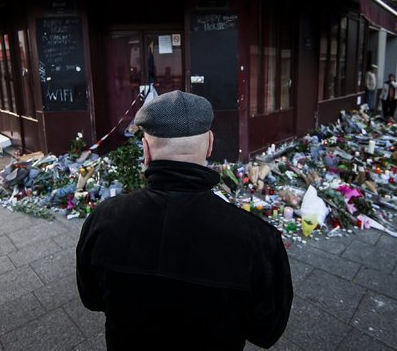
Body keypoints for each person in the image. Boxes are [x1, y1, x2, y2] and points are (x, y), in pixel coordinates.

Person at [76, 90, 293, 350]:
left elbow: (92, 299)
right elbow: (266, 331)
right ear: (210, 144)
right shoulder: (257, 239)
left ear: (145, 150)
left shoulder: (103, 220)